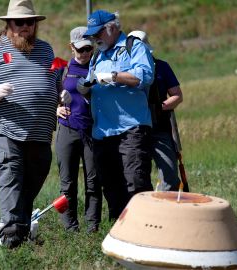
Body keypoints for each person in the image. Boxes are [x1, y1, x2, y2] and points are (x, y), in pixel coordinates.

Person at [0, 0, 69, 248]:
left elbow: (55, 82)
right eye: (19, 22)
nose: (25, 27)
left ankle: (19, 227)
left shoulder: (46, 49)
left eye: (30, 22)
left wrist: (61, 94)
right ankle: (10, 236)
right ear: (8, 24)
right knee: (11, 174)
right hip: (6, 128)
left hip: (41, 131)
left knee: (36, 175)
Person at [79, 10, 155, 220]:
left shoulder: (133, 47)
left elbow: (145, 75)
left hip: (131, 129)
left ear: (111, 28)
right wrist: (84, 88)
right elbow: (90, 83)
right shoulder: (96, 55)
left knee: (135, 184)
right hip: (102, 132)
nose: (94, 39)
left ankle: (144, 232)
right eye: (92, 35)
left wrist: (115, 76)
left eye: (97, 34)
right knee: (111, 187)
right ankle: (119, 234)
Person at [56, 26, 102, 233]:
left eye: (88, 49)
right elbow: (47, 96)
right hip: (67, 130)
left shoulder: (99, 68)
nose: (84, 54)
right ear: (71, 47)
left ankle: (92, 227)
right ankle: (70, 228)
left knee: (93, 181)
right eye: (80, 49)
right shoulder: (62, 71)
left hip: (92, 131)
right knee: (68, 183)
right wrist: (56, 109)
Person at [128, 30, 184, 191]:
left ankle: (165, 209)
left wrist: (160, 107)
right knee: (138, 176)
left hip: (159, 128)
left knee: (170, 175)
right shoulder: (126, 70)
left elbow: (177, 96)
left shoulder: (162, 67)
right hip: (134, 130)